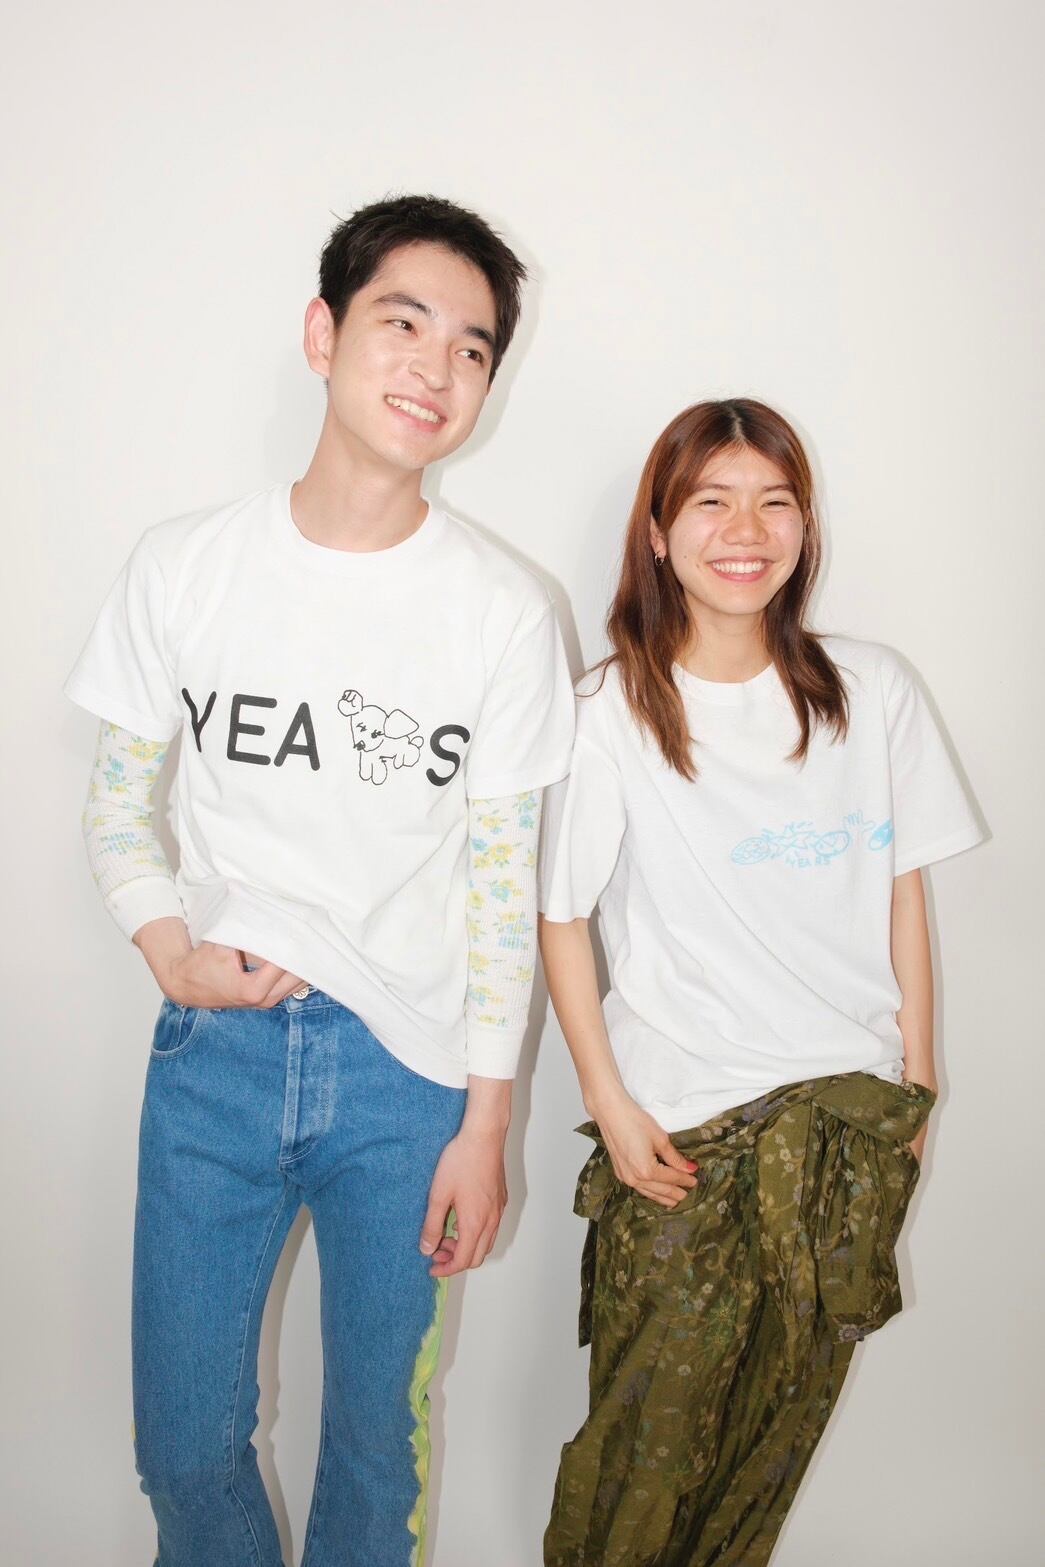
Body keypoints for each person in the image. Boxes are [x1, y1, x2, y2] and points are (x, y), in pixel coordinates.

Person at [64, 194, 574, 1567]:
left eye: (472, 348)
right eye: (403, 323)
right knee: (184, 1445)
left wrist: (487, 1120)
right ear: (322, 333)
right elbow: (116, 806)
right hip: (215, 1058)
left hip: (407, 1081)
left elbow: (501, 887)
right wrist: (167, 949)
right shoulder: (187, 566)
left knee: (377, 1451)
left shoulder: (502, 611)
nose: (435, 368)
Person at [538, 398, 982, 1566]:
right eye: (712, 501)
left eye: (775, 502)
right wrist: (609, 1103)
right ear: (657, 530)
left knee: (762, 1464)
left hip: (841, 1131)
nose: (746, 530)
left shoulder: (871, 690)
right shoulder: (604, 712)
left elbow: (901, 894)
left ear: (805, 525)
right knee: (636, 1480)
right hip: (681, 1138)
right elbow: (559, 916)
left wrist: (917, 1089)